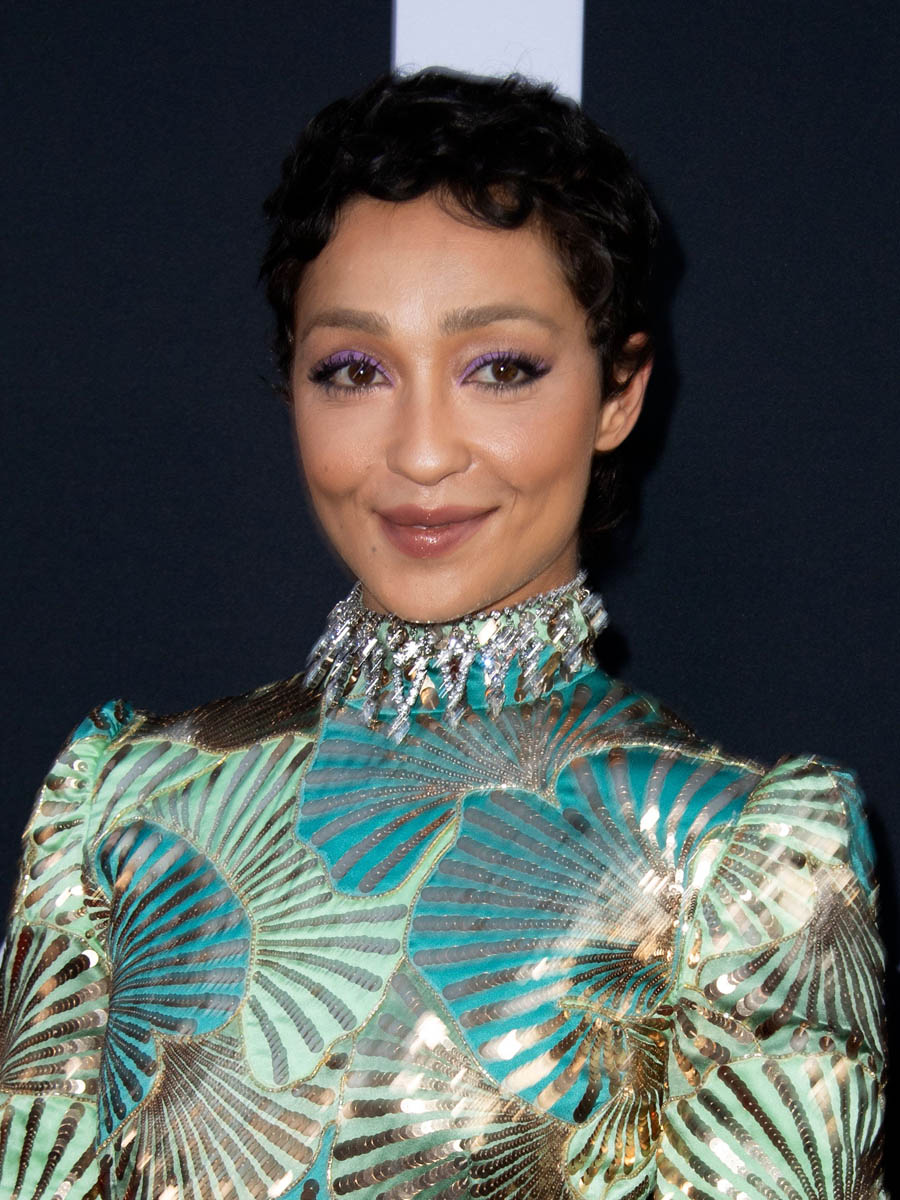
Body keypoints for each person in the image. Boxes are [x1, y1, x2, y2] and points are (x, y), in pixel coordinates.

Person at [0, 68, 885, 1199]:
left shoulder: (747, 858)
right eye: (354, 371)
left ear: (619, 392)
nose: (422, 452)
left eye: (499, 370)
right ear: (293, 387)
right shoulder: (121, 801)